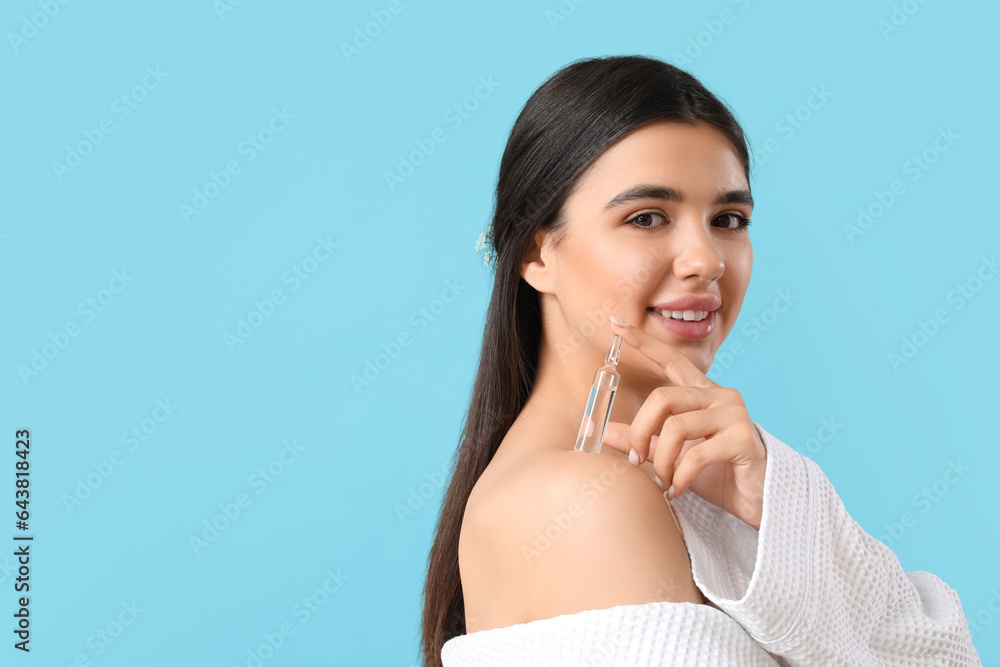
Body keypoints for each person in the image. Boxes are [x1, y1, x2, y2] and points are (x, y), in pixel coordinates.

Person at [420, 55, 982, 666]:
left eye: (728, 220)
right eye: (646, 217)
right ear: (536, 254)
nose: (706, 259)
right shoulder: (582, 499)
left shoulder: (705, 483)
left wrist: (773, 501)